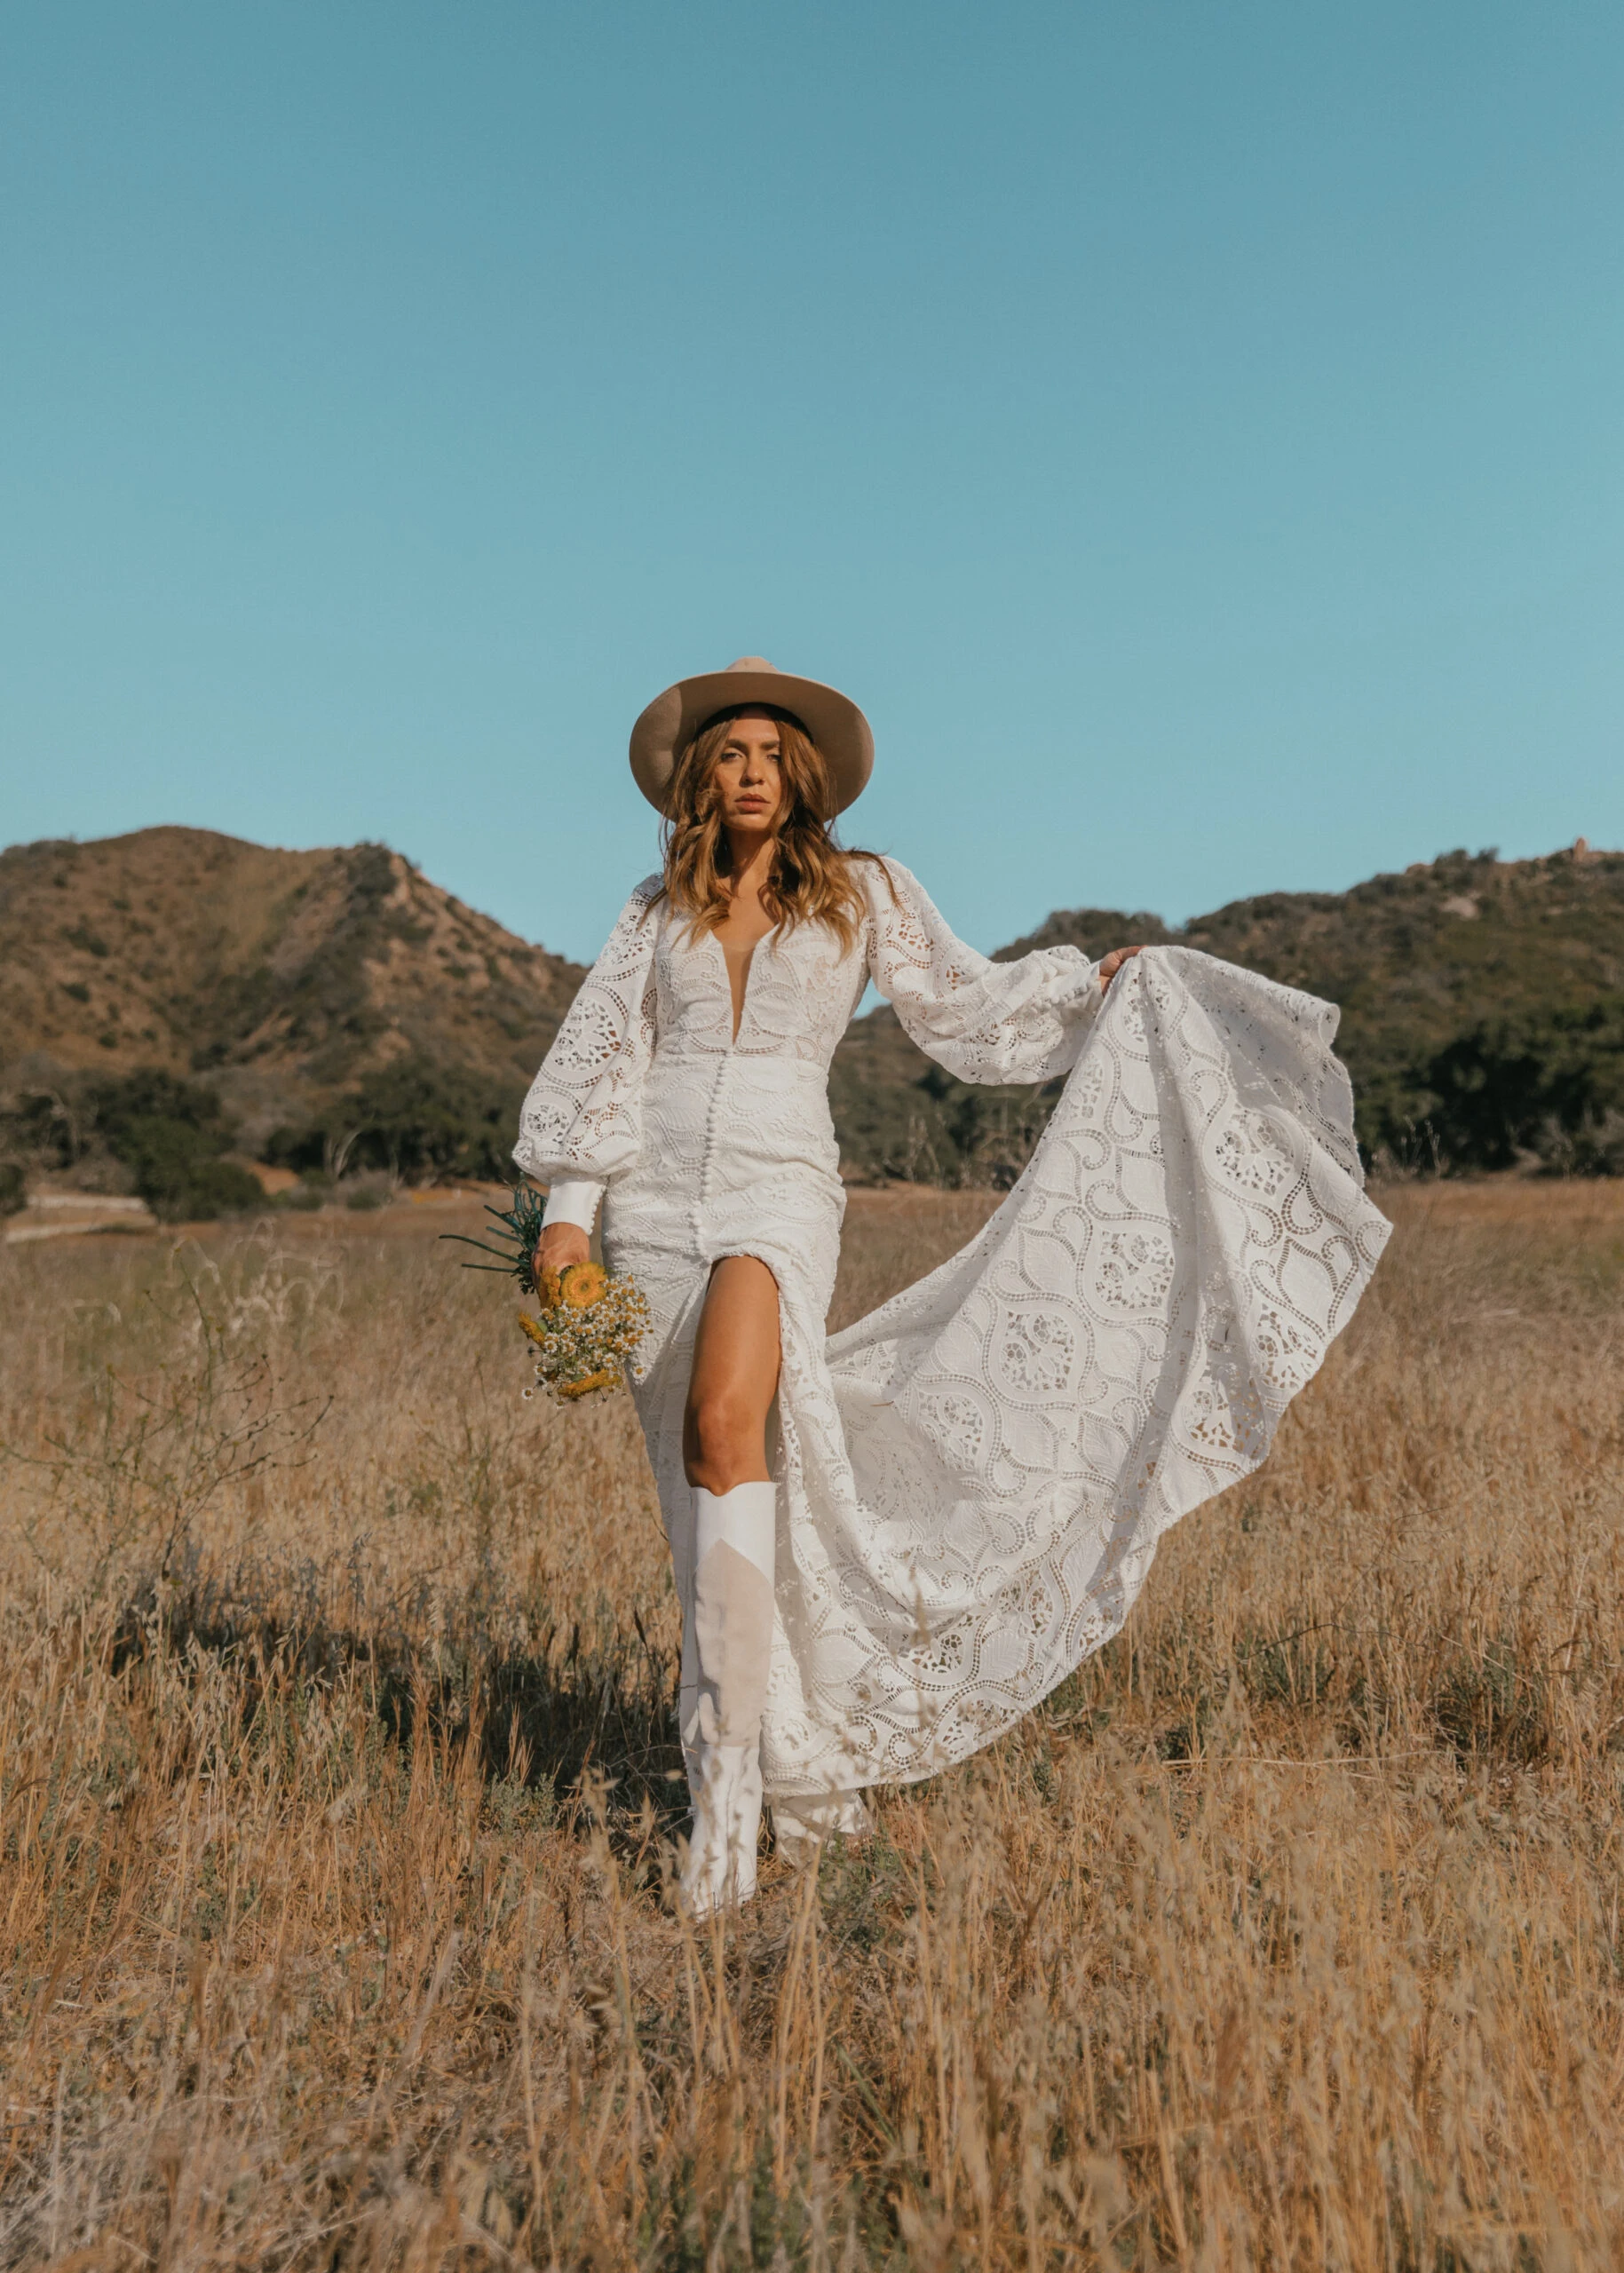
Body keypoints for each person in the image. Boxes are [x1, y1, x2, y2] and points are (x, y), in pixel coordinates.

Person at [517, 658, 1388, 1914]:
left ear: (803, 772)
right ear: (697, 778)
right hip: (650, 1206)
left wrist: (1092, 989)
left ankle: (726, 1798)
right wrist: (565, 1220)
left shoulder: (864, 892)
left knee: (728, 1425)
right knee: (704, 1488)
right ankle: (768, 1769)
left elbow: (967, 1010)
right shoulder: (654, 910)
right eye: (727, 754)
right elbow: (602, 1057)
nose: (749, 771)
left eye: (768, 752)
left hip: (777, 1189)